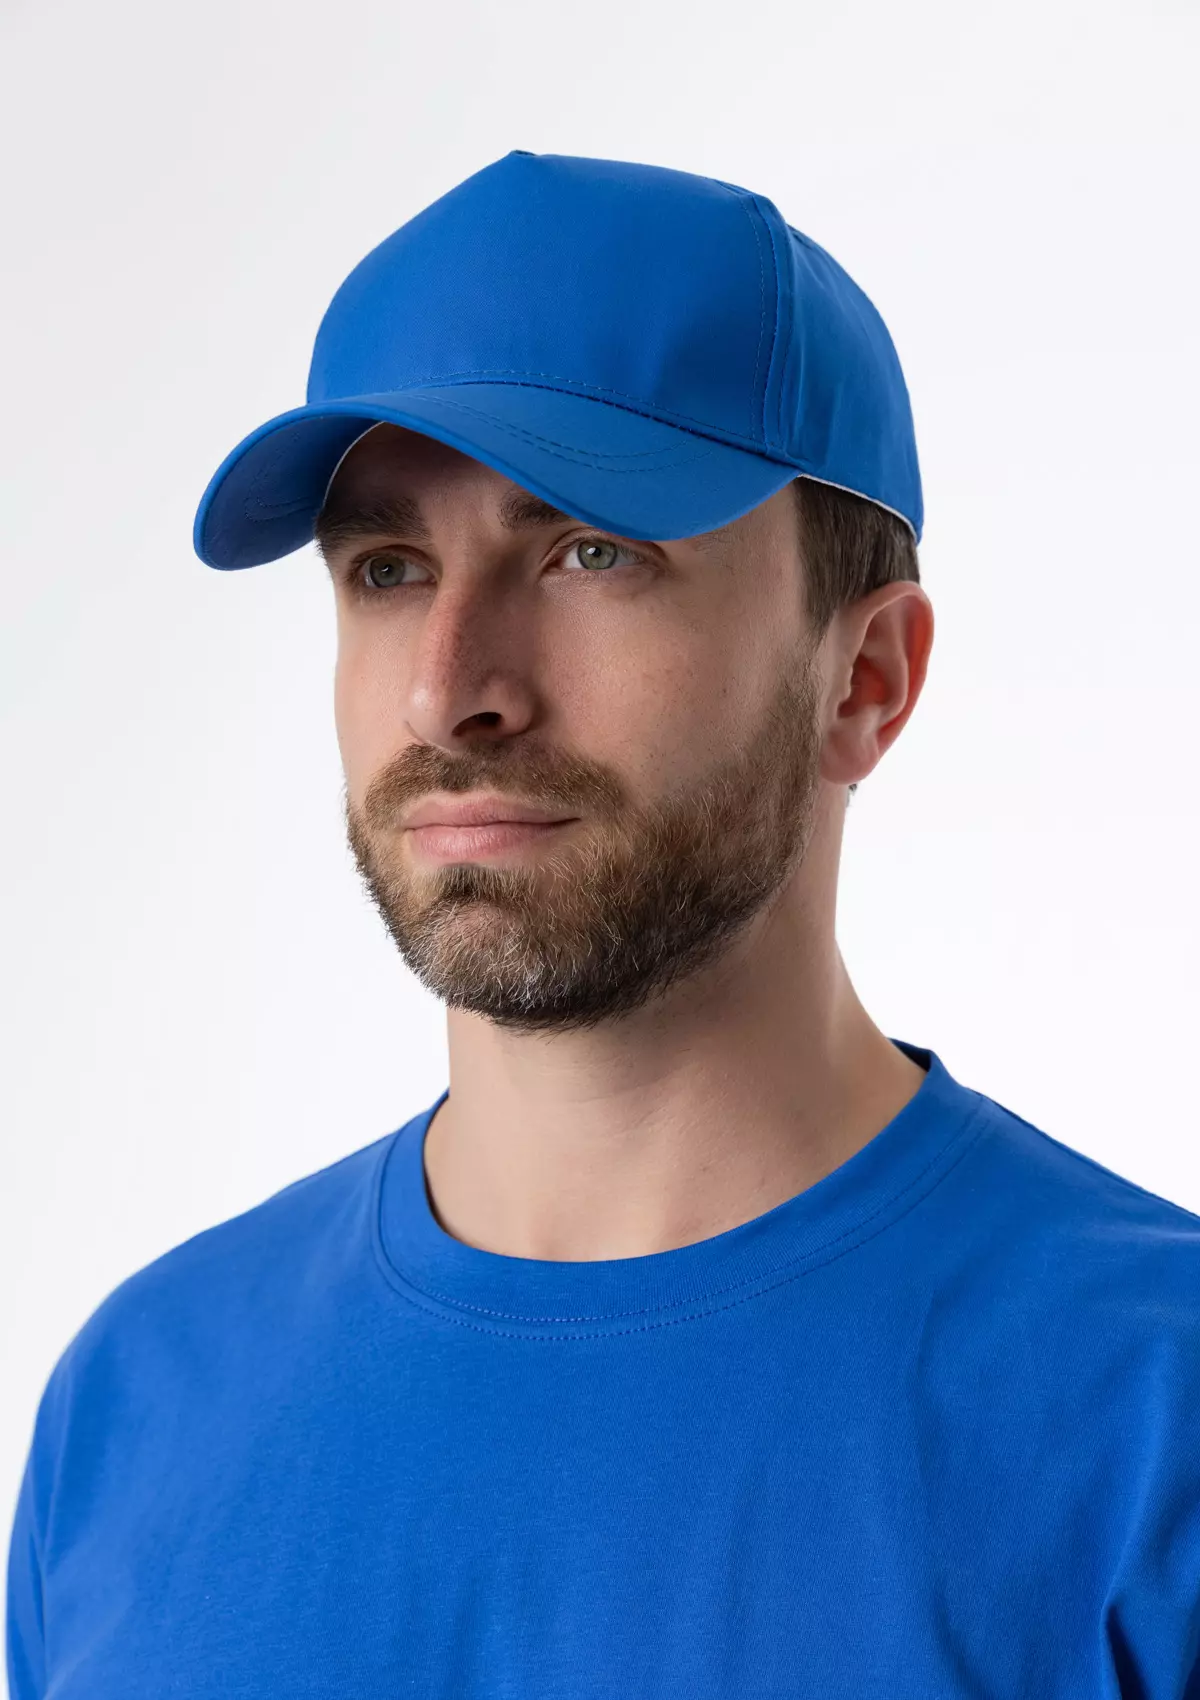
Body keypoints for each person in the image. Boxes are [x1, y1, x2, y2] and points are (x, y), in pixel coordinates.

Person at [6, 150, 1199, 1699]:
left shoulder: (1151, 1417)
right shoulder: (137, 1406)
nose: (448, 690)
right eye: (387, 568)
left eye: (589, 551)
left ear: (866, 680)